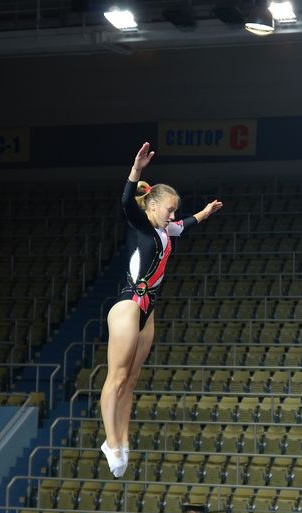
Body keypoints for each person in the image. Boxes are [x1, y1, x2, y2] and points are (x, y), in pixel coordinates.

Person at [100, 142, 222, 477]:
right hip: (129, 306)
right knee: (117, 377)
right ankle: (110, 440)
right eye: (169, 210)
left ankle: (123, 438)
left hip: (148, 310)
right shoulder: (141, 225)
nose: (172, 215)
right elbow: (126, 202)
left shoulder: (166, 230)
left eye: (174, 211)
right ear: (152, 207)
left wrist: (205, 213)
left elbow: (186, 224)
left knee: (132, 379)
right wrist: (135, 171)